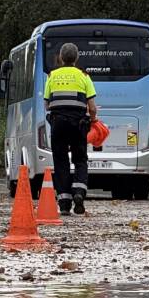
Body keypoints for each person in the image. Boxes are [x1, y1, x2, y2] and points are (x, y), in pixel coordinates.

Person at [42, 43, 98, 215]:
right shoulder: (84, 76)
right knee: (80, 159)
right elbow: (92, 107)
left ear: (60, 57)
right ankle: (79, 193)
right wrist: (93, 120)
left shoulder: (52, 76)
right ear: (76, 58)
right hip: (78, 124)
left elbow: (46, 105)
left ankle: (64, 203)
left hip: (58, 124)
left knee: (60, 161)